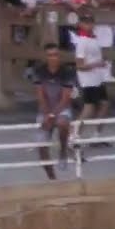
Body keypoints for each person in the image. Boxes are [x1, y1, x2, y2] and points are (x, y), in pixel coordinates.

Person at [33, 43, 75, 177]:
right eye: (50, 55)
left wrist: (52, 115)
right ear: (45, 57)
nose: (53, 58)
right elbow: (40, 95)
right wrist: (46, 114)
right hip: (44, 109)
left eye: (56, 55)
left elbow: (66, 98)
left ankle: (63, 151)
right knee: (41, 147)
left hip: (61, 108)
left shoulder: (67, 71)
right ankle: (52, 177)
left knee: (63, 123)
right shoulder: (39, 71)